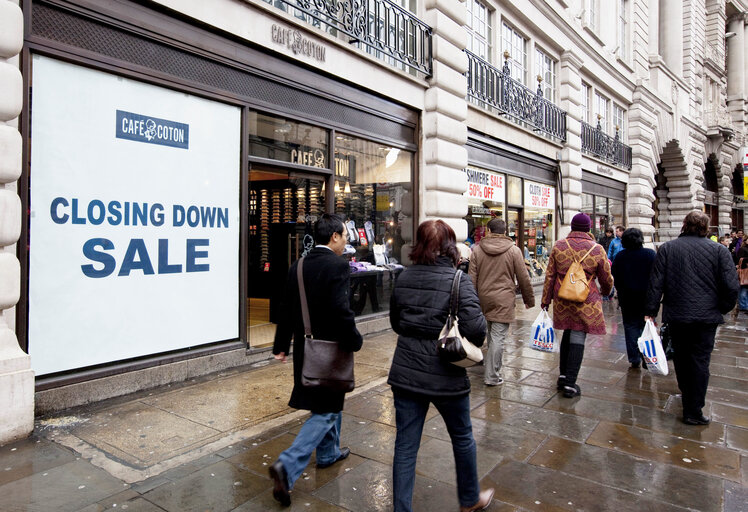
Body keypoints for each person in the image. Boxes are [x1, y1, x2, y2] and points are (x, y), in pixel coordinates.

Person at [388, 220, 494, 512]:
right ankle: (470, 499)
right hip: (446, 374)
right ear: (450, 247)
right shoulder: (458, 280)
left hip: (406, 371)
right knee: (462, 437)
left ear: (419, 246)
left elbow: (396, 323)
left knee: (405, 446)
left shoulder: (404, 277)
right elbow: (477, 331)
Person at [269, 213, 364, 507]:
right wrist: (355, 339)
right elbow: (341, 311)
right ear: (333, 236)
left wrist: (281, 345)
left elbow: (285, 308)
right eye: (345, 236)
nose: (346, 241)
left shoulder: (298, 266)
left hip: (306, 351)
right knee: (325, 409)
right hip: (330, 351)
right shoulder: (337, 266)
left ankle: (328, 453)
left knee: (328, 401)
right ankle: (288, 464)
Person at [645, 211, 739, 425]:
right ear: (706, 227)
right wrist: (721, 308)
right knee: (700, 360)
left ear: (684, 225)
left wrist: (650, 311)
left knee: (681, 356)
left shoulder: (668, 249)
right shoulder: (719, 250)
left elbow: (655, 283)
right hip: (706, 317)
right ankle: (693, 408)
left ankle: (688, 395)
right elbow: (731, 286)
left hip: (678, 314)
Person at [541, 213, 614, 398]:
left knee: (567, 330)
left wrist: (545, 300)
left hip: (562, 297)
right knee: (578, 334)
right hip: (586, 299)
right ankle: (570, 383)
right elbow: (606, 277)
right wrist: (606, 292)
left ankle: (563, 375)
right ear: (588, 228)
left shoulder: (559, 245)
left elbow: (549, 276)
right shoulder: (597, 249)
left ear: (572, 227)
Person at [469, 218, 535, 386]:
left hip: (483, 297)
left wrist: (471, 300)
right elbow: (523, 278)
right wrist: (529, 299)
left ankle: (491, 364)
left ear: (489, 231)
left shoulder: (477, 250)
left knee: (492, 334)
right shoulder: (514, 251)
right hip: (504, 299)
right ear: (505, 232)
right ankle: (492, 375)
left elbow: (471, 279)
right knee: (498, 336)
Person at [610, 228, 656, 368]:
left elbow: (615, 276)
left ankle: (634, 358)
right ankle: (646, 356)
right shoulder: (650, 254)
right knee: (645, 327)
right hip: (646, 298)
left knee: (630, 327)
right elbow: (656, 277)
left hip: (627, 297)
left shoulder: (621, 256)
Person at [734, 233, 748, 314]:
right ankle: (743, 306)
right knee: (743, 289)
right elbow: (739, 260)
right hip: (744, 271)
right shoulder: (743, 249)